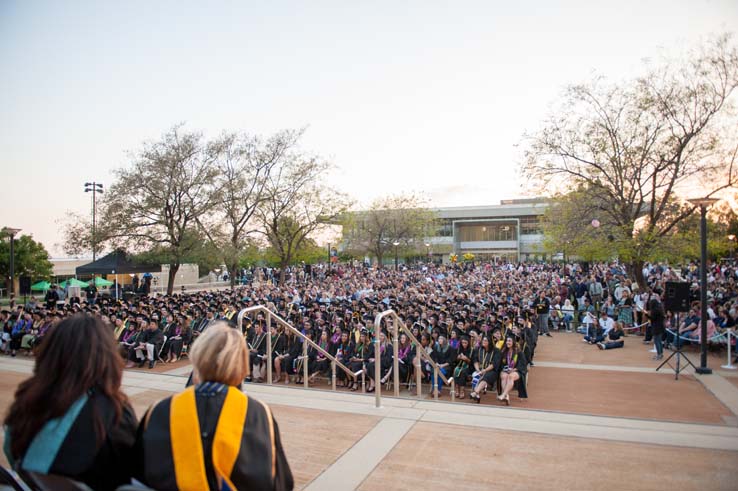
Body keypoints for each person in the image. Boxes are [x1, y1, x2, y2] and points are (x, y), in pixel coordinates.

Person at [134, 323, 294, 491]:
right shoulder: (258, 414)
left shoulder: (160, 410)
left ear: (197, 359)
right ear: (242, 367)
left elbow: (137, 473)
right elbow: (281, 483)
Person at [4, 314, 137, 491]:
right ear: (108, 358)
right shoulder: (113, 412)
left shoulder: (26, 403)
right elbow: (131, 472)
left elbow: (12, 455)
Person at [468, 335, 501, 403]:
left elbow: (494, 364)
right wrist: (477, 370)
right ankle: (477, 396)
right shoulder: (478, 349)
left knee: (486, 377)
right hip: (480, 369)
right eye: (483, 340)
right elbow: (475, 360)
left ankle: (475, 392)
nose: (484, 342)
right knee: (475, 375)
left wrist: (485, 370)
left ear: (490, 342)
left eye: (486, 340)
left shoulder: (496, 351)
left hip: (491, 371)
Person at [498, 336, 528, 405]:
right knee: (504, 376)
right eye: (507, 341)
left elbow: (523, 364)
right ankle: (506, 396)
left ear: (513, 342)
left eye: (509, 341)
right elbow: (501, 363)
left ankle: (503, 394)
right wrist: (505, 369)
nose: (507, 342)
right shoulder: (504, 351)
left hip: (517, 370)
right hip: (506, 370)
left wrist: (513, 369)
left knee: (510, 377)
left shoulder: (519, 352)